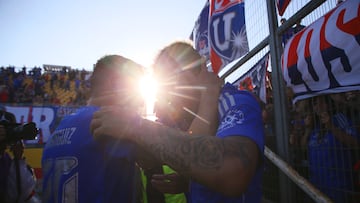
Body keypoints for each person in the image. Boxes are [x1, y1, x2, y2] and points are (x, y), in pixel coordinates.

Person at [90, 41, 265, 203]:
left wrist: (136, 126)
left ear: (200, 70)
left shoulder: (234, 101)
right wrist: (190, 181)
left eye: (173, 78)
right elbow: (153, 158)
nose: (167, 92)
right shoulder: (184, 114)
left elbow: (233, 172)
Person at [41, 55, 144, 203]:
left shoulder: (59, 128)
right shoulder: (114, 123)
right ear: (116, 84)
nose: (140, 98)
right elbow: (167, 158)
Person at [301, 94, 359, 203]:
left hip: (338, 189)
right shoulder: (315, 125)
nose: (319, 106)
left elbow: (355, 143)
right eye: (315, 104)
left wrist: (331, 127)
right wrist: (308, 129)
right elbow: (303, 149)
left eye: (322, 102)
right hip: (315, 187)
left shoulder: (340, 119)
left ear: (329, 104)